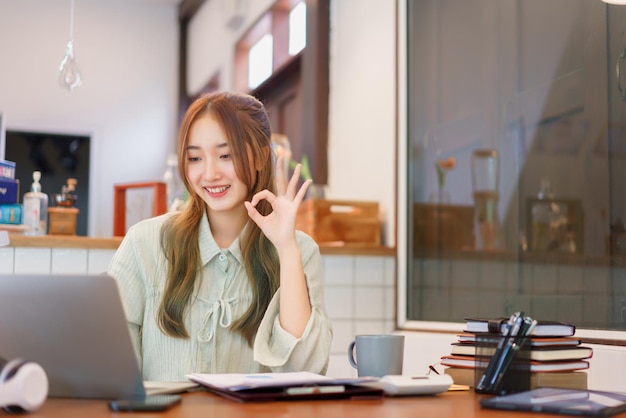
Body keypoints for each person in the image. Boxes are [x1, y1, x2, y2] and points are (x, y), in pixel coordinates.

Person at [107, 91, 332, 382]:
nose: (209, 173)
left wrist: (287, 249)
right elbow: (112, 372)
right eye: (195, 158)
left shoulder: (300, 250)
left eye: (226, 155)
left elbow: (307, 372)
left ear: (261, 156)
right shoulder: (144, 243)